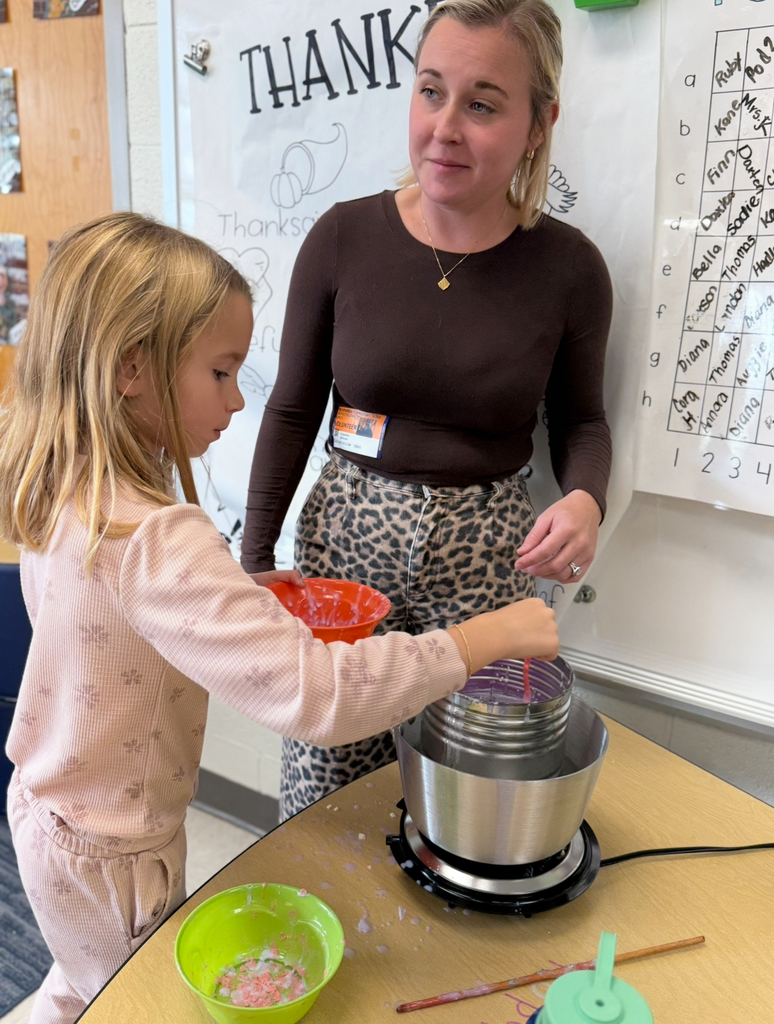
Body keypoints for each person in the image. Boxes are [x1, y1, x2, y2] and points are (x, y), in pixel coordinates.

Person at [0, 212, 558, 1024]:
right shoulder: (156, 534)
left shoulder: (73, 490)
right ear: (131, 369)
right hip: (115, 854)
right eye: (221, 372)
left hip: (56, 825)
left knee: (81, 985)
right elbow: (317, 699)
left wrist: (239, 598)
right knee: (129, 1006)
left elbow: (119, 620)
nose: (236, 402)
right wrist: (479, 640)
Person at [241, 0, 613, 820]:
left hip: (486, 556)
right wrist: (256, 553)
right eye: (430, 92)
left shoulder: (568, 268)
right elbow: (293, 406)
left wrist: (584, 498)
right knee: (327, 776)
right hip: (345, 543)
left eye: (481, 104)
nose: (444, 127)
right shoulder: (343, 237)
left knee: (468, 781)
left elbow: (581, 422)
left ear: (538, 123)